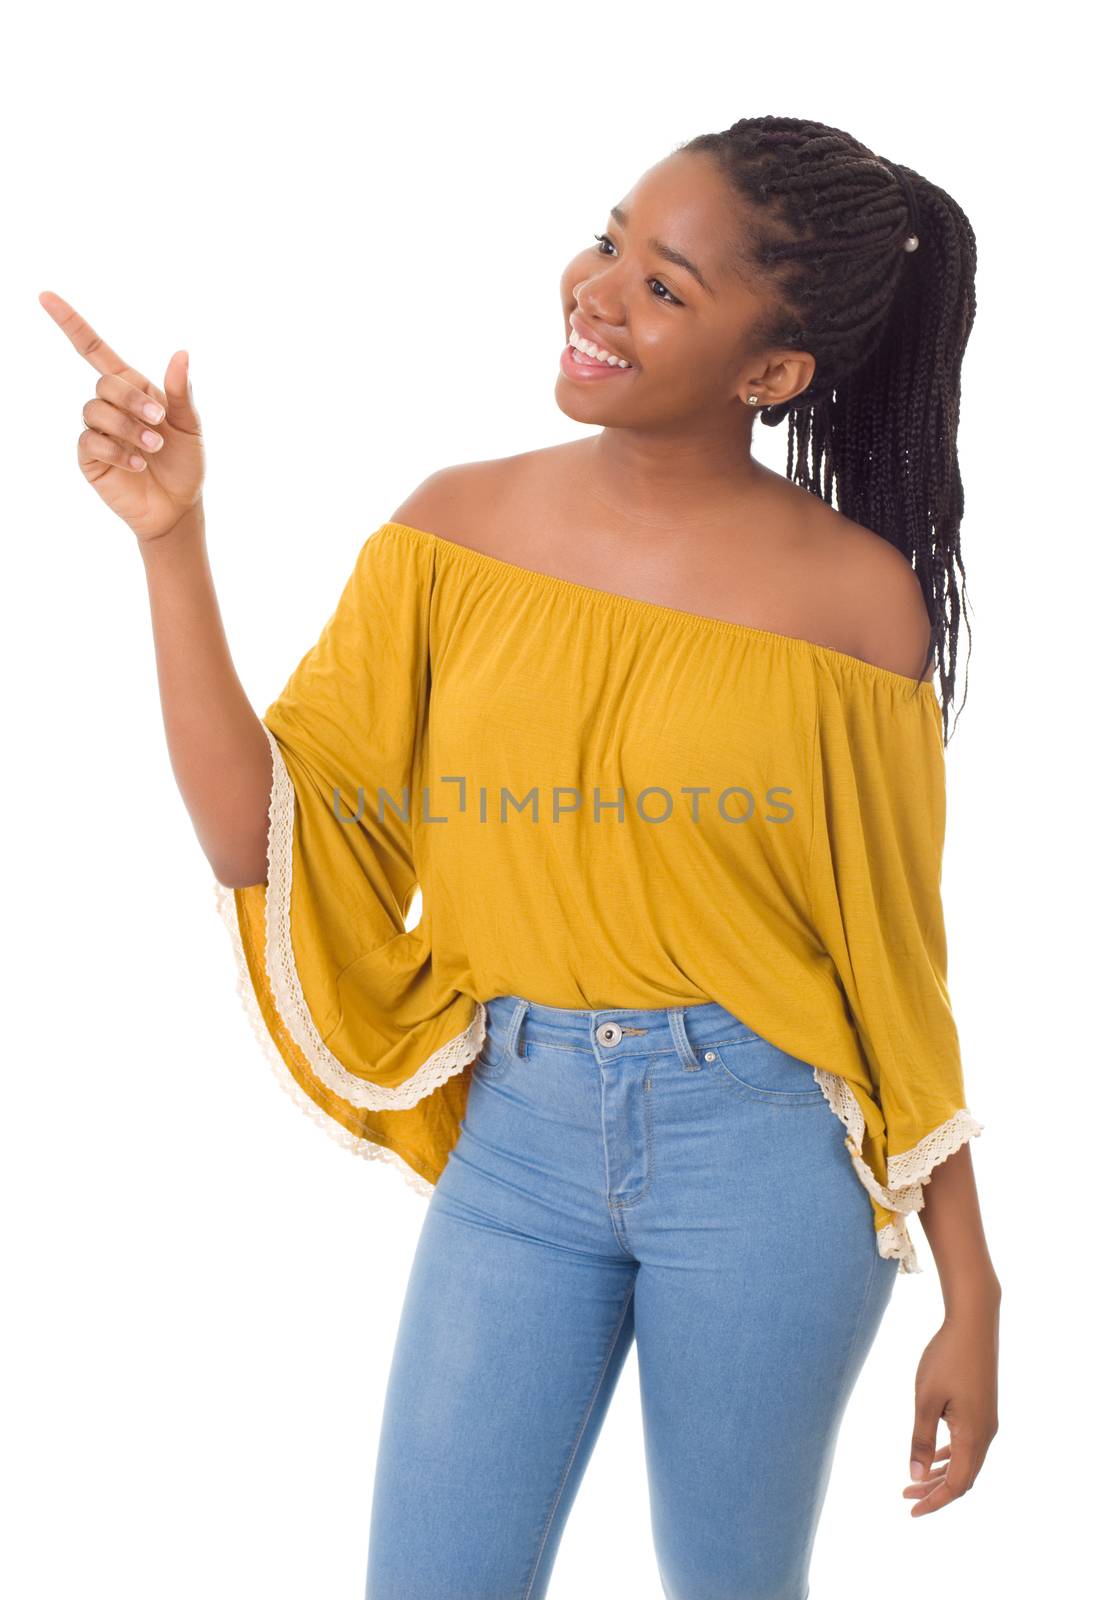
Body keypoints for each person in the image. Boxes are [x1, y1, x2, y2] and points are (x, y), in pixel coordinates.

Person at [43, 112, 1000, 1600]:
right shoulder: (453, 533)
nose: (598, 289)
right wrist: (172, 541)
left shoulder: (852, 606)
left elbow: (894, 959)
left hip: (763, 1156)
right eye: (611, 238)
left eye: (666, 284)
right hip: (522, 1138)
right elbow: (262, 836)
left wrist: (972, 1285)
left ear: (774, 374)